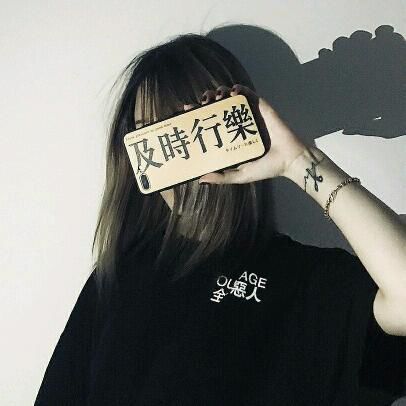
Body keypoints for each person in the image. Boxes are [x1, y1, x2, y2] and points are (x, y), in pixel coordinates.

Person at [34, 33, 406, 405]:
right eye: (151, 134)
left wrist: (300, 160)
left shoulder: (305, 281)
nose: (177, 156)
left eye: (190, 126)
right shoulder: (119, 275)